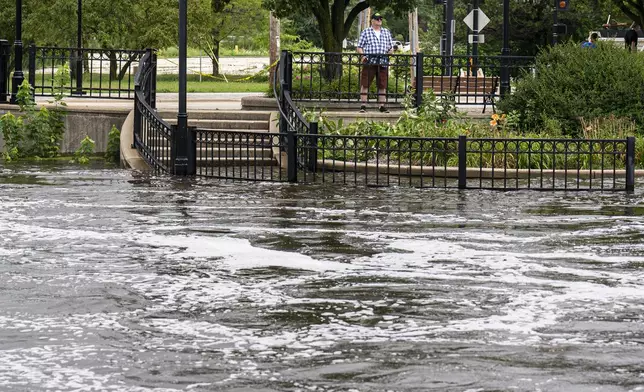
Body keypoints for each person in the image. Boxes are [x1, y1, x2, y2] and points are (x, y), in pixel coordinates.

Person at [356, 12, 394, 113]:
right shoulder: (366, 32)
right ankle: (363, 105)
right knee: (365, 84)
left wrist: (391, 51)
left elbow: (391, 47)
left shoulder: (386, 32)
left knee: (382, 85)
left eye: (380, 19)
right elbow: (359, 47)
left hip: (382, 61)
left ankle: (382, 106)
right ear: (372, 20)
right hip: (370, 61)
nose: (379, 21)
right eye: (377, 19)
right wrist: (363, 56)